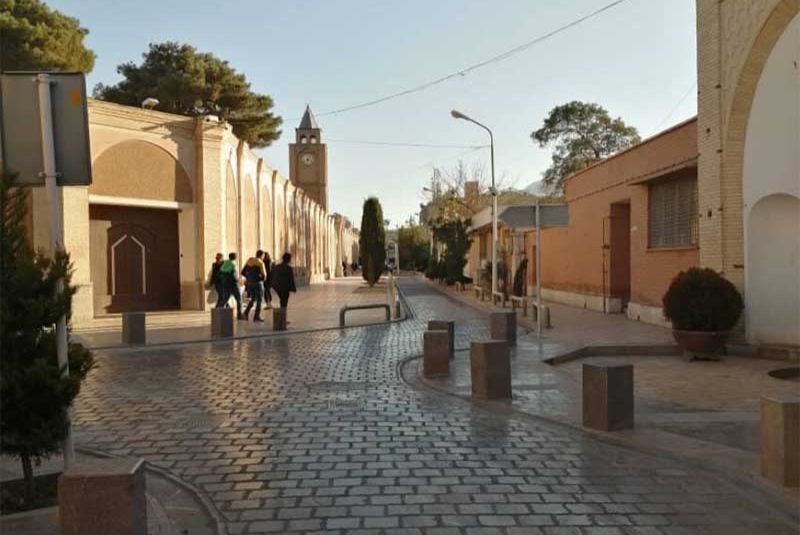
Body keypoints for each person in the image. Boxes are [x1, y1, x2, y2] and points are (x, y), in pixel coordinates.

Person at [242, 250, 267, 322]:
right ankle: (256, 316)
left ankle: (246, 313)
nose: (263, 257)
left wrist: (249, 277)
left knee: (253, 299)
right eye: (263, 256)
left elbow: (243, 272)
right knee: (259, 300)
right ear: (261, 255)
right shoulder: (260, 262)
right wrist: (260, 278)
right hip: (258, 283)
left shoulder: (249, 261)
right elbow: (264, 275)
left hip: (250, 283)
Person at [220, 252, 244, 319]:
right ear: (235, 257)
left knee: (225, 299)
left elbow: (221, 273)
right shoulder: (233, 264)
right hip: (234, 285)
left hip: (226, 284)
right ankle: (239, 314)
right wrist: (239, 281)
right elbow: (234, 276)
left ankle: (218, 312)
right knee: (239, 299)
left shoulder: (225, 263)